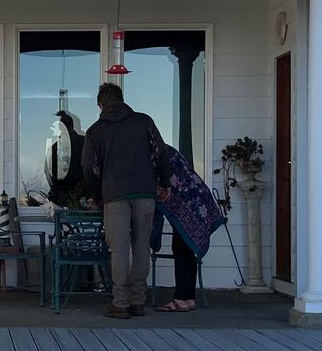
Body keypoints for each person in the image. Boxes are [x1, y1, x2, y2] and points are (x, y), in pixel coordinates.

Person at [81, 82, 173, 319]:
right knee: (141, 247)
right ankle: (138, 301)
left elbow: (88, 168)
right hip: (144, 193)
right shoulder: (144, 122)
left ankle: (120, 303)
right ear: (121, 99)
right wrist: (165, 183)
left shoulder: (95, 131)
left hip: (115, 196)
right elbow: (161, 153)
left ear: (100, 104)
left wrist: (97, 195)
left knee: (119, 251)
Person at [151, 142, 226, 312]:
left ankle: (182, 299)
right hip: (196, 198)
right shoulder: (162, 150)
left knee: (182, 248)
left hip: (190, 201)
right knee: (185, 249)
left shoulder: (155, 156)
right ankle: (188, 298)